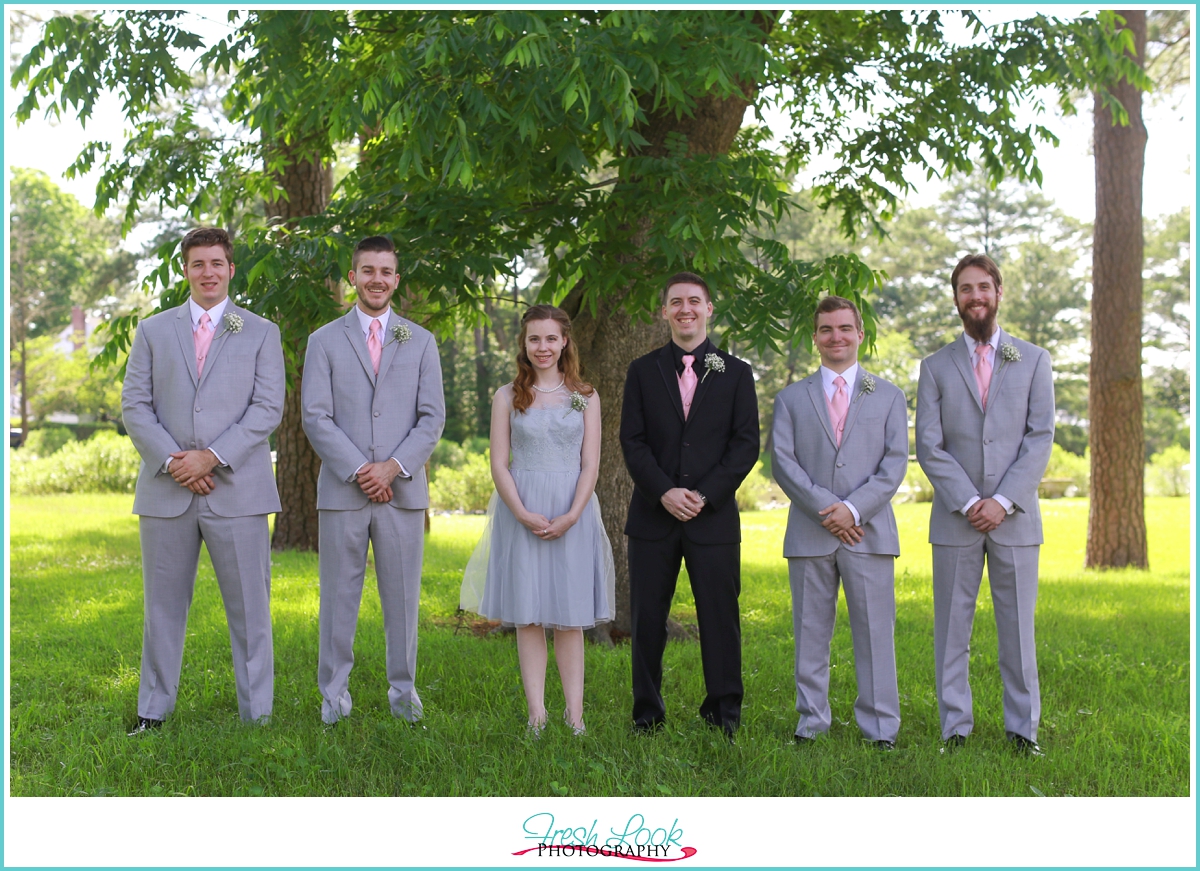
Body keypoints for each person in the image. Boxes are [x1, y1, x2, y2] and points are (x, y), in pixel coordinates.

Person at [122, 227, 285, 733]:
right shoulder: (153, 331)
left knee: (250, 611)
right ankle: (153, 710)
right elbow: (135, 406)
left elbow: (267, 408)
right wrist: (176, 461)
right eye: (198, 264)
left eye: (217, 263)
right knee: (162, 608)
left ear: (231, 269)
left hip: (238, 492)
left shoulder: (260, 331)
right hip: (166, 489)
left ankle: (256, 715)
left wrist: (210, 457)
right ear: (185, 271)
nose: (208, 272)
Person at [301, 235, 445, 725]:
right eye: (367, 270)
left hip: (402, 492)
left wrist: (392, 467)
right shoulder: (323, 340)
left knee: (403, 601)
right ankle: (334, 698)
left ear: (396, 280)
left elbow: (431, 418)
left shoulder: (421, 341)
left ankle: (404, 697)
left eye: (386, 271)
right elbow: (315, 417)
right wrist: (362, 470)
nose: (377, 279)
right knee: (338, 598)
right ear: (353, 277)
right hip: (344, 491)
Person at [916, 253, 1054, 755]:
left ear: (999, 292)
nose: (975, 296)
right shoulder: (934, 367)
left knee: (1017, 631)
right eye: (965, 289)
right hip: (957, 518)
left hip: (1015, 519)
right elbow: (929, 445)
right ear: (956, 299)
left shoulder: (1034, 359)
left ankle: (1023, 731)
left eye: (983, 287)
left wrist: (1002, 500)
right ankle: (955, 729)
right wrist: (972, 500)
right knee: (952, 630)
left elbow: (1040, 438)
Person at [460, 305, 616, 735]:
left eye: (550, 338)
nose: (542, 347)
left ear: (565, 340)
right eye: (534, 339)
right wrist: (522, 512)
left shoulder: (585, 394)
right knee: (528, 616)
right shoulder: (508, 395)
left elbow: (591, 465)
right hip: (522, 508)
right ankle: (537, 716)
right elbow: (498, 463)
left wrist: (571, 514)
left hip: (572, 509)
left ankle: (575, 717)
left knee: (569, 617)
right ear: (524, 344)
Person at [620, 272, 759, 737]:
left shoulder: (735, 372)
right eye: (675, 302)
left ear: (709, 309)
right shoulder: (642, 371)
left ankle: (723, 714)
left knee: (720, 619)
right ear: (664, 311)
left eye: (694, 301)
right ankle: (647, 714)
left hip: (712, 518)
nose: (685, 309)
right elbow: (632, 441)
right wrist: (664, 491)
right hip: (652, 517)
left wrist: (702, 495)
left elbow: (745, 446)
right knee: (646, 621)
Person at [771, 295, 908, 749]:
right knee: (810, 635)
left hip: (868, 533)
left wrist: (853, 510)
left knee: (875, 636)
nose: (836, 337)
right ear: (815, 338)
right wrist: (830, 509)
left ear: (860, 334)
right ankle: (811, 723)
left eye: (845, 328)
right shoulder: (791, 398)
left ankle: (880, 729)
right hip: (811, 533)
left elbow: (894, 465)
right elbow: (784, 464)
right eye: (827, 329)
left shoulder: (889, 395)